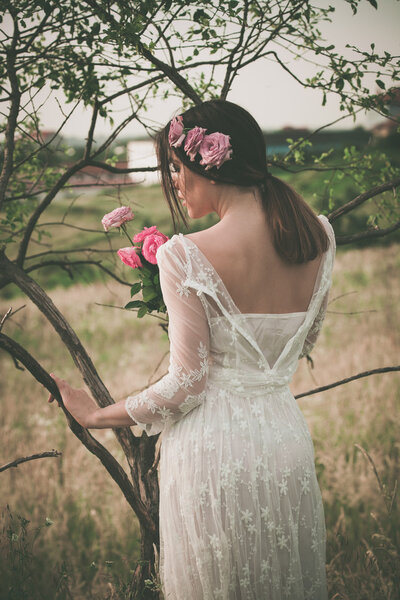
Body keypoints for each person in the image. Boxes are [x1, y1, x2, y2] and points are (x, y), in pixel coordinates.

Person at [49, 99, 335, 599]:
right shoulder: (320, 236)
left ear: (210, 164)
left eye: (177, 168)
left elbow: (187, 384)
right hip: (284, 439)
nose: (175, 182)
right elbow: (302, 340)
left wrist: (96, 415)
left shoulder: (185, 254)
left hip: (213, 450)